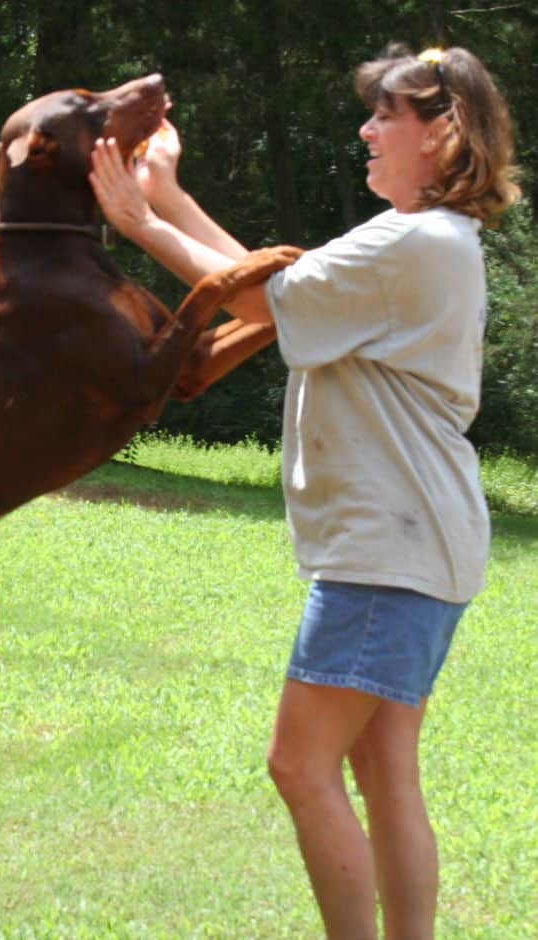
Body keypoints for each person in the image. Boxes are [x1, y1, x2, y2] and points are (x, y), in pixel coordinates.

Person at [90, 44, 520, 940]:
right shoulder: (427, 238)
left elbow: (267, 306)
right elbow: (279, 285)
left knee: (299, 765)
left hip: (387, 551)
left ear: (440, 132)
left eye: (384, 116)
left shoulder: (414, 240)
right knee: (386, 773)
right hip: (422, 544)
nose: (366, 131)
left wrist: (139, 224)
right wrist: (166, 198)